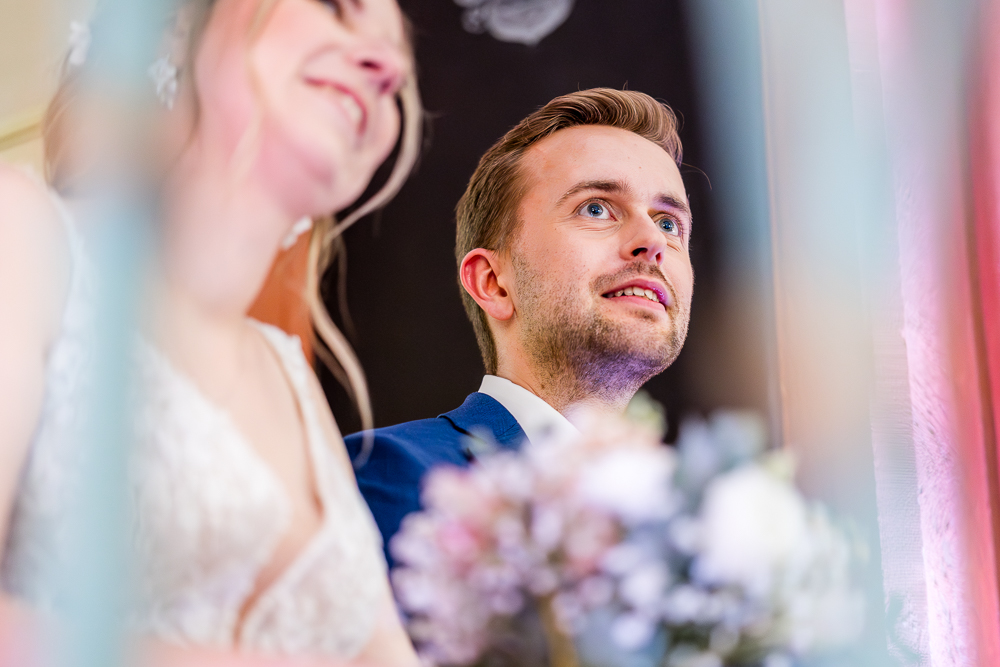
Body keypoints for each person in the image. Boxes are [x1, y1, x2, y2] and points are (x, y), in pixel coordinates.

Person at [0, 0, 422, 664]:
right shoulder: (22, 238)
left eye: (399, 55)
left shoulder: (291, 380)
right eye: (337, 8)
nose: (389, 65)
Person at [345, 88, 695, 568]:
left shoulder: (692, 531)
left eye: (670, 223)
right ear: (493, 283)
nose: (653, 241)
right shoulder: (391, 475)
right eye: (596, 208)